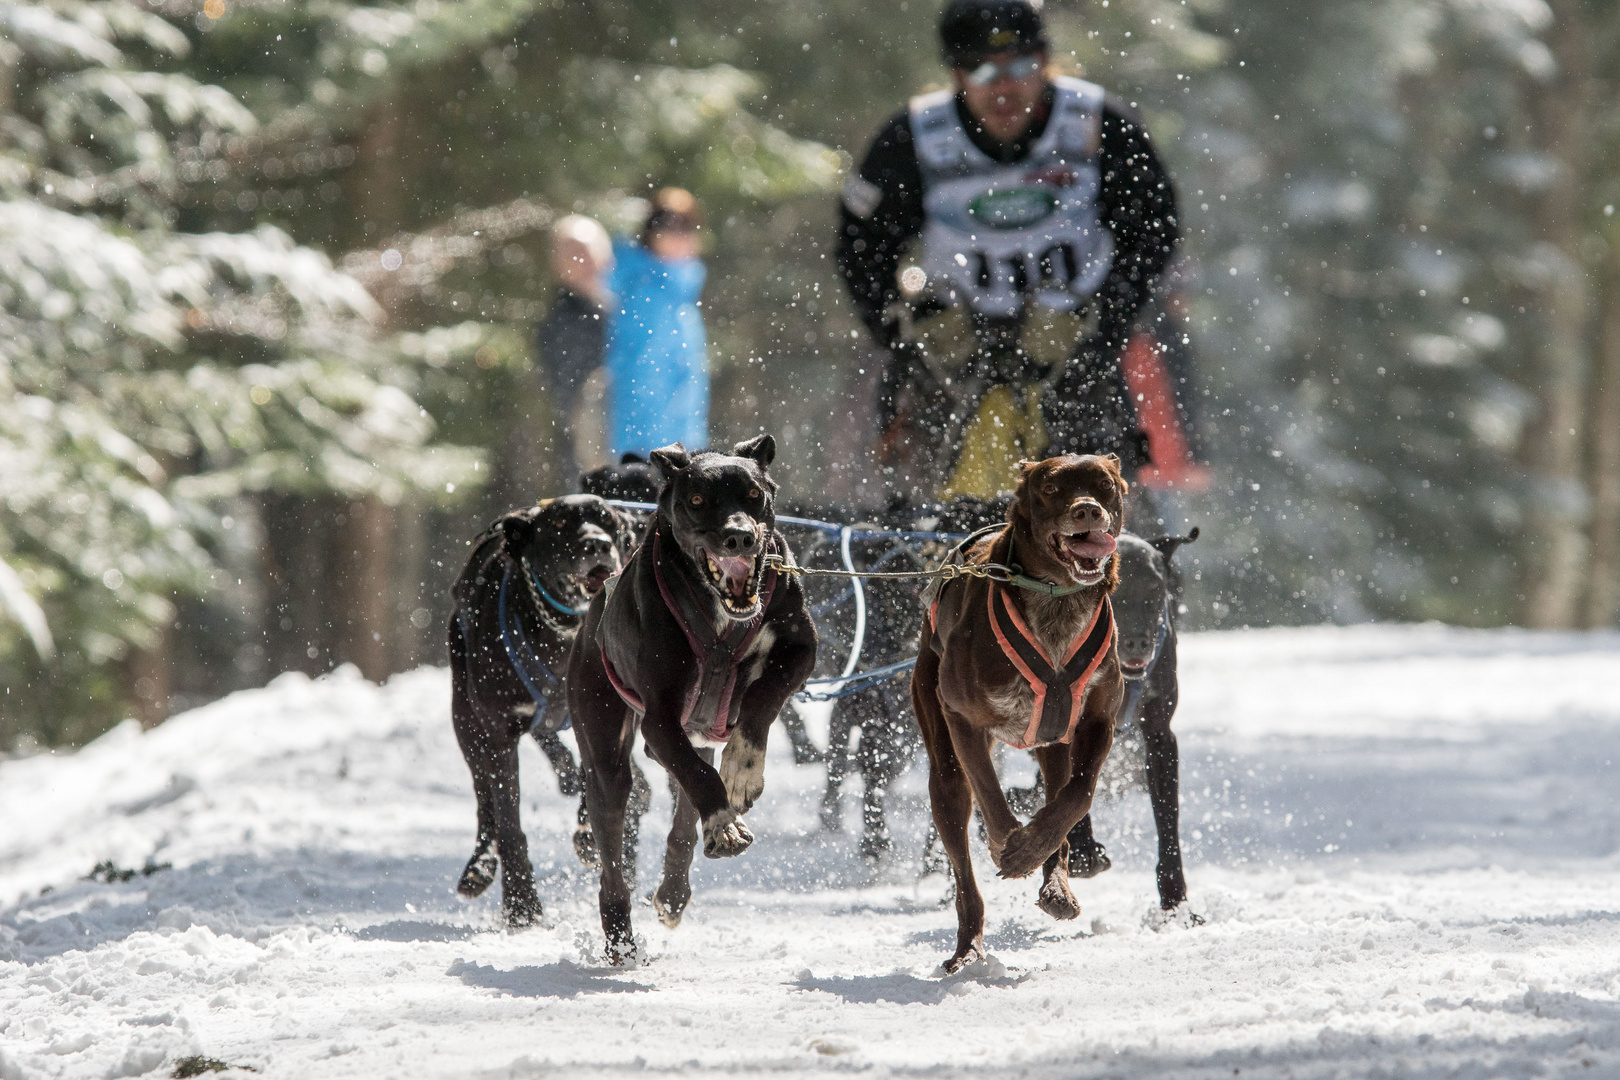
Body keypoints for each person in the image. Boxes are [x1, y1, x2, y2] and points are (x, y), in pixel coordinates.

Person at [836, 0, 1179, 501]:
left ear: (1043, 62)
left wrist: (1108, 322)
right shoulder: (912, 139)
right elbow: (859, 245)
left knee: (1094, 506)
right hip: (950, 352)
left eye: (1019, 66)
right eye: (981, 69)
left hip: (1072, 346)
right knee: (921, 508)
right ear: (956, 74)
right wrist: (896, 329)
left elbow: (1154, 228)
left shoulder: (1098, 124)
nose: (1003, 87)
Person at [603, 189, 710, 460]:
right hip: (645, 438)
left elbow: (688, 372)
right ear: (652, 234)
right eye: (671, 227)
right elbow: (644, 370)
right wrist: (652, 447)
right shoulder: (644, 286)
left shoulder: (681, 288)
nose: (682, 237)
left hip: (681, 433)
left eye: (687, 228)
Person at [535, 215, 613, 482]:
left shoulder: (625, 310)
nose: (586, 258)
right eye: (575, 251)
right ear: (557, 263)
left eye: (591, 248)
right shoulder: (562, 323)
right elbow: (575, 403)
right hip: (596, 453)